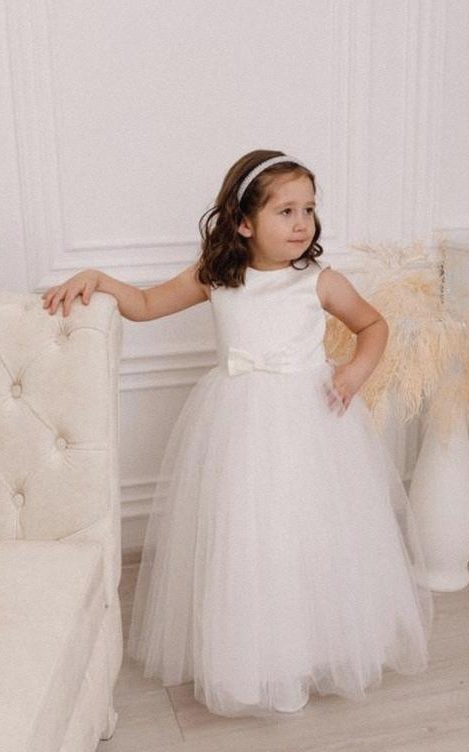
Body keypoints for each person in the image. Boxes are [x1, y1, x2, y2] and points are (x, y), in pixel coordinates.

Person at [41, 149, 435, 718]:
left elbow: (373, 324)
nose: (302, 223)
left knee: (313, 531)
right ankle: (259, 655)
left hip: (312, 424)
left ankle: (322, 644)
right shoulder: (217, 277)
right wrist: (99, 279)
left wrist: (355, 371)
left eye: (309, 209)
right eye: (286, 211)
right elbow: (146, 305)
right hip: (240, 426)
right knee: (250, 537)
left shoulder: (319, 281)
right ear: (244, 223)